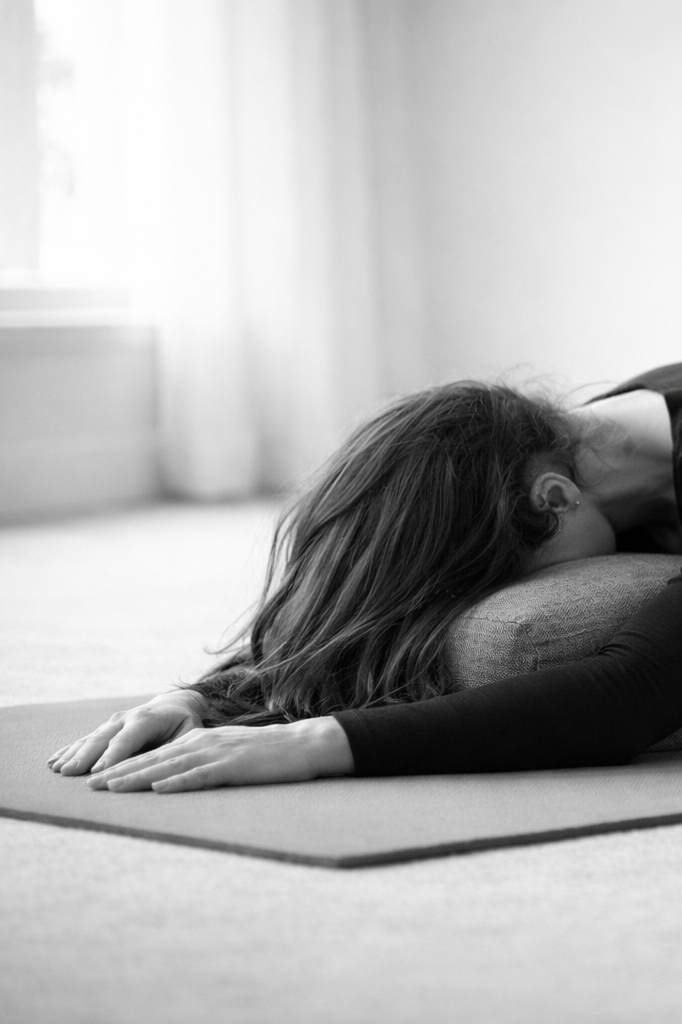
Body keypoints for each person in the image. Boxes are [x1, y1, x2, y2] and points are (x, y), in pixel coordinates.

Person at [48, 363, 682, 793]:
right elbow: (383, 600)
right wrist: (206, 698)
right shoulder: (553, 450)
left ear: (554, 499)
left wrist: (319, 743)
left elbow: (631, 690)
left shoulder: (565, 468)